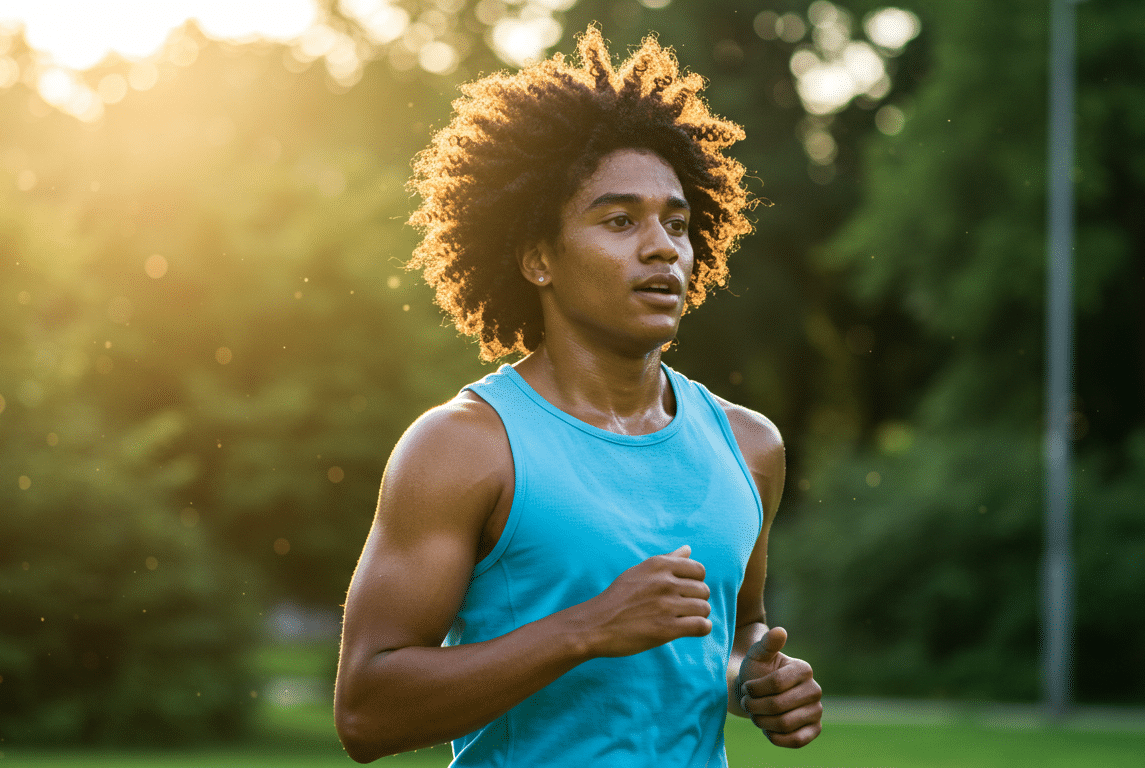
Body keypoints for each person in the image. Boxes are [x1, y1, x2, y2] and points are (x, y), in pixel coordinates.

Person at [333, 26, 822, 766]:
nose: (663, 247)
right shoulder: (465, 447)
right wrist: (587, 628)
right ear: (537, 259)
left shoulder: (749, 447)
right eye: (620, 221)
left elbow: (735, 631)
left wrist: (755, 678)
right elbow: (367, 714)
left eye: (679, 224)